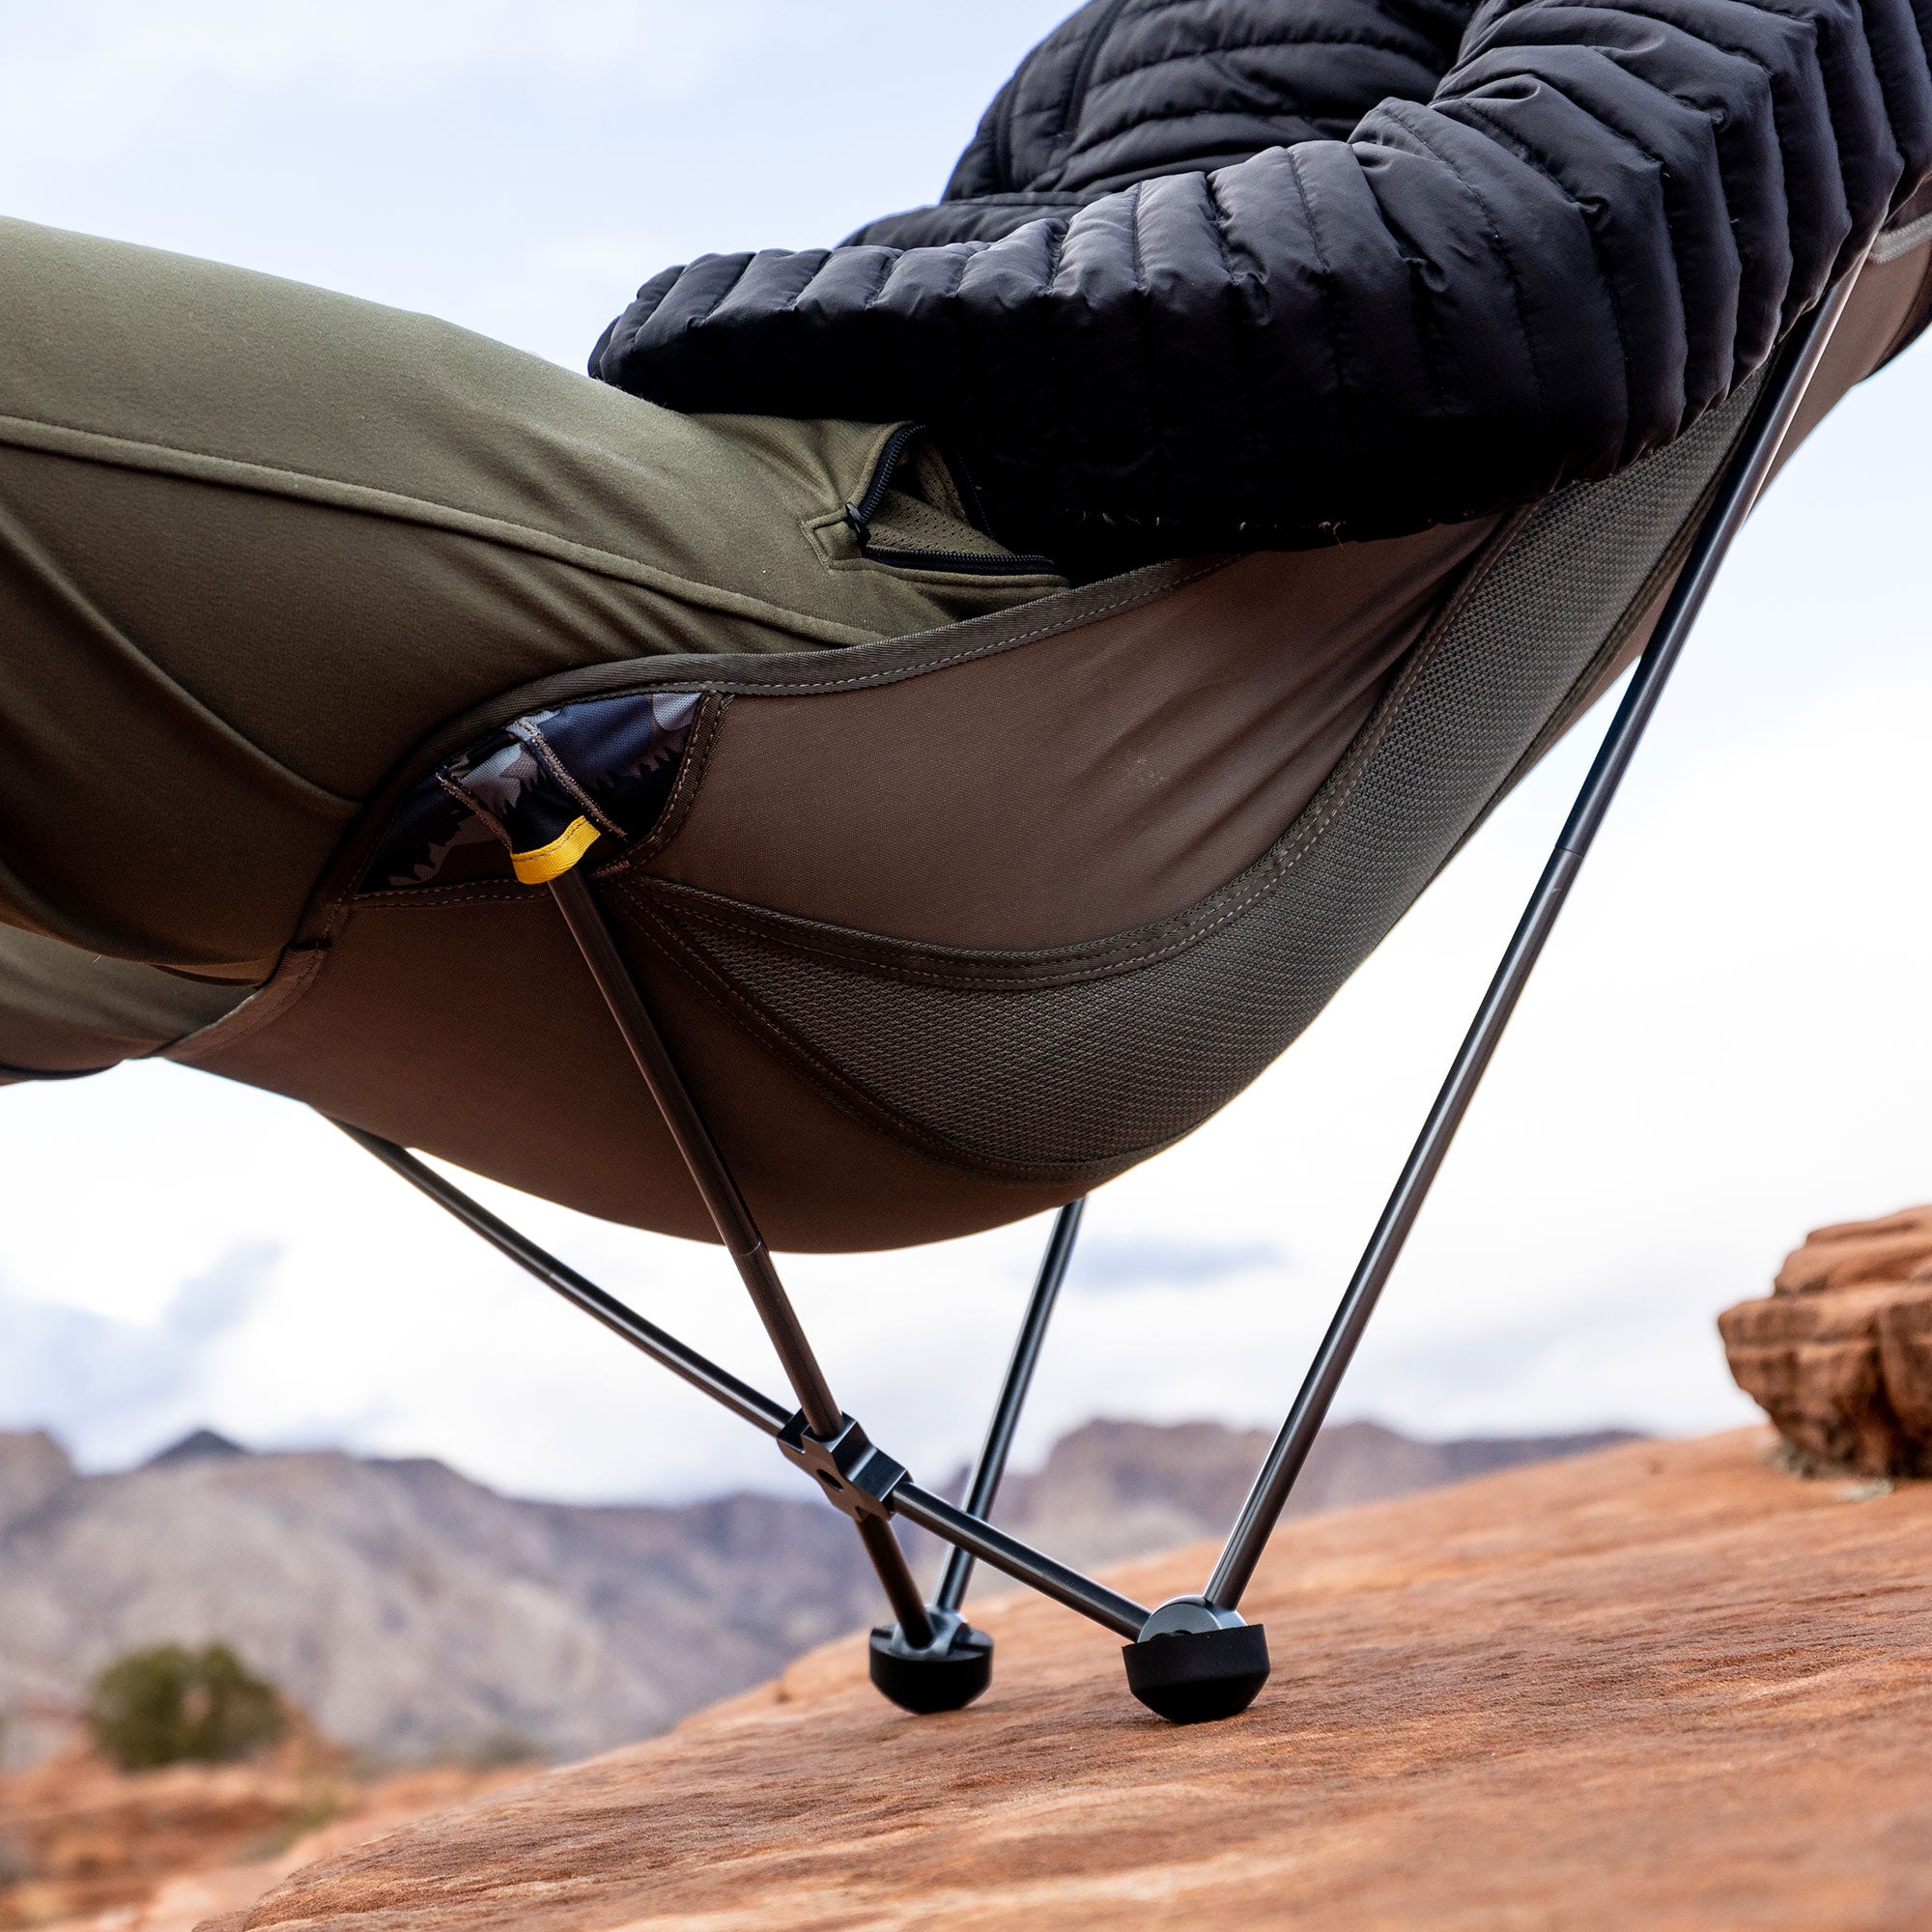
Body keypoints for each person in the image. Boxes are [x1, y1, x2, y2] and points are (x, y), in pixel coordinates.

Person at [2, 0, 1930, 990]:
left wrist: (720, 309)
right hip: (806, 606)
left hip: (868, 646)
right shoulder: (1126, 43)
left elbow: (1528, 261)